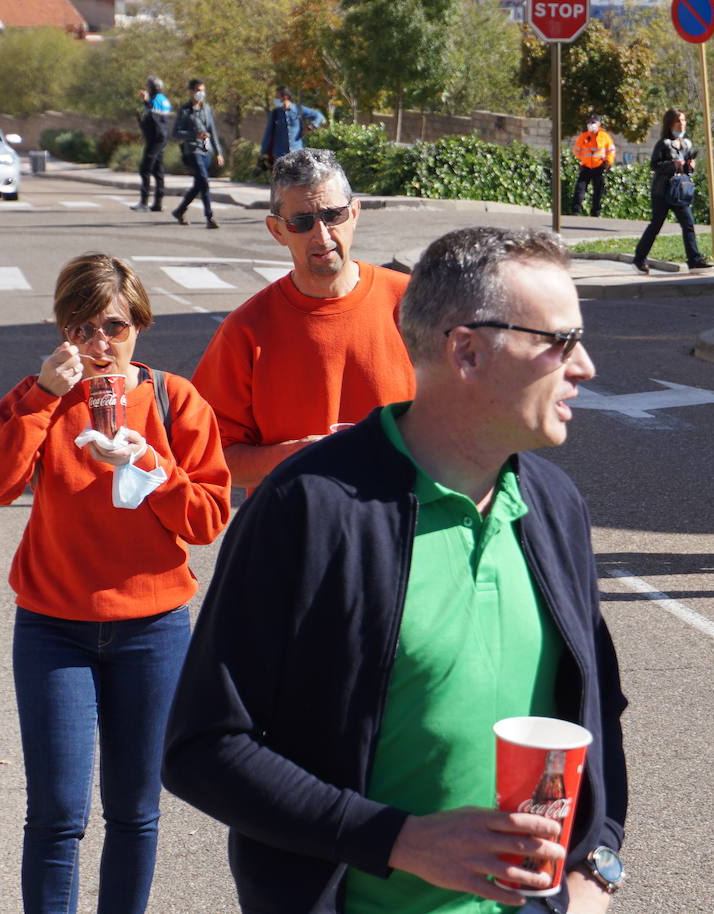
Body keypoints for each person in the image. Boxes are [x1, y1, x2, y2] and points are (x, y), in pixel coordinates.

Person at [164, 226, 629, 914]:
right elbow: (204, 747)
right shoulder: (310, 508)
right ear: (467, 352)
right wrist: (397, 840)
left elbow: (598, 713)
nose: (584, 365)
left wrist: (599, 862)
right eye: (558, 343)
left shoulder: (554, 504)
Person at [0, 253, 231, 913]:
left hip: (154, 631)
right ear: (62, 330)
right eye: (82, 328)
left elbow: (206, 519)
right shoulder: (41, 398)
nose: (100, 344)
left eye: (114, 326)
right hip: (54, 629)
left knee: (136, 810)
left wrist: (152, 465)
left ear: (139, 326)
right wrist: (43, 396)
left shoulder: (174, 400)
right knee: (57, 812)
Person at [191, 147, 416, 491]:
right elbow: (209, 454)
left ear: (354, 213)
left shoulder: (414, 305)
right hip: (296, 535)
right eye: (301, 222)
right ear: (277, 231)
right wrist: (298, 456)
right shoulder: (246, 331)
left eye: (333, 215)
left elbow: (465, 419)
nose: (322, 236)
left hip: (402, 526)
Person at [632, 108, 712, 274]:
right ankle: (639, 259)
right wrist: (671, 165)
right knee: (656, 225)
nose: (681, 124)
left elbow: (687, 169)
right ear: (669, 124)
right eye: (678, 121)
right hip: (662, 191)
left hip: (680, 190)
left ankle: (694, 260)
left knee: (688, 224)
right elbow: (654, 165)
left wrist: (690, 167)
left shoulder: (686, 144)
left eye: (683, 121)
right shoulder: (663, 144)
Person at [171, 78, 224, 229]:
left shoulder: (207, 109)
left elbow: (212, 130)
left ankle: (180, 210)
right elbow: (176, 133)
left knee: (199, 184)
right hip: (193, 150)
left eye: (203, 90)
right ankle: (209, 216)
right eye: (198, 90)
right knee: (204, 181)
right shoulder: (185, 110)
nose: (201, 93)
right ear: (191, 92)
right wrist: (193, 134)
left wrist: (219, 152)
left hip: (206, 149)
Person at [131, 76, 174, 213]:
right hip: (162, 138)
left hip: (155, 139)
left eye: (149, 87)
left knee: (145, 169)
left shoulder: (154, 101)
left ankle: (144, 203)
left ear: (152, 88)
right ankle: (158, 203)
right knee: (158, 170)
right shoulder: (164, 101)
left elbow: (152, 119)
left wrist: (145, 104)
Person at [260, 85, 324, 165]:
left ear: (285, 97)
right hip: (279, 155)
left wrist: (311, 126)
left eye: (277, 97)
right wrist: (263, 153)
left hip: (297, 153)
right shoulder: (275, 113)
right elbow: (268, 133)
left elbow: (319, 116)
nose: (275, 99)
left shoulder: (298, 109)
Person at [570, 114, 616, 217]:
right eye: (589, 122)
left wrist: (608, 162)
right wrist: (579, 161)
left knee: (598, 191)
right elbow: (576, 151)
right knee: (580, 188)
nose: (591, 124)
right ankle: (575, 210)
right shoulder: (583, 136)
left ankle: (595, 212)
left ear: (599, 124)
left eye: (593, 122)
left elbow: (611, 151)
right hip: (586, 166)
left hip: (599, 167)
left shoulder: (605, 137)